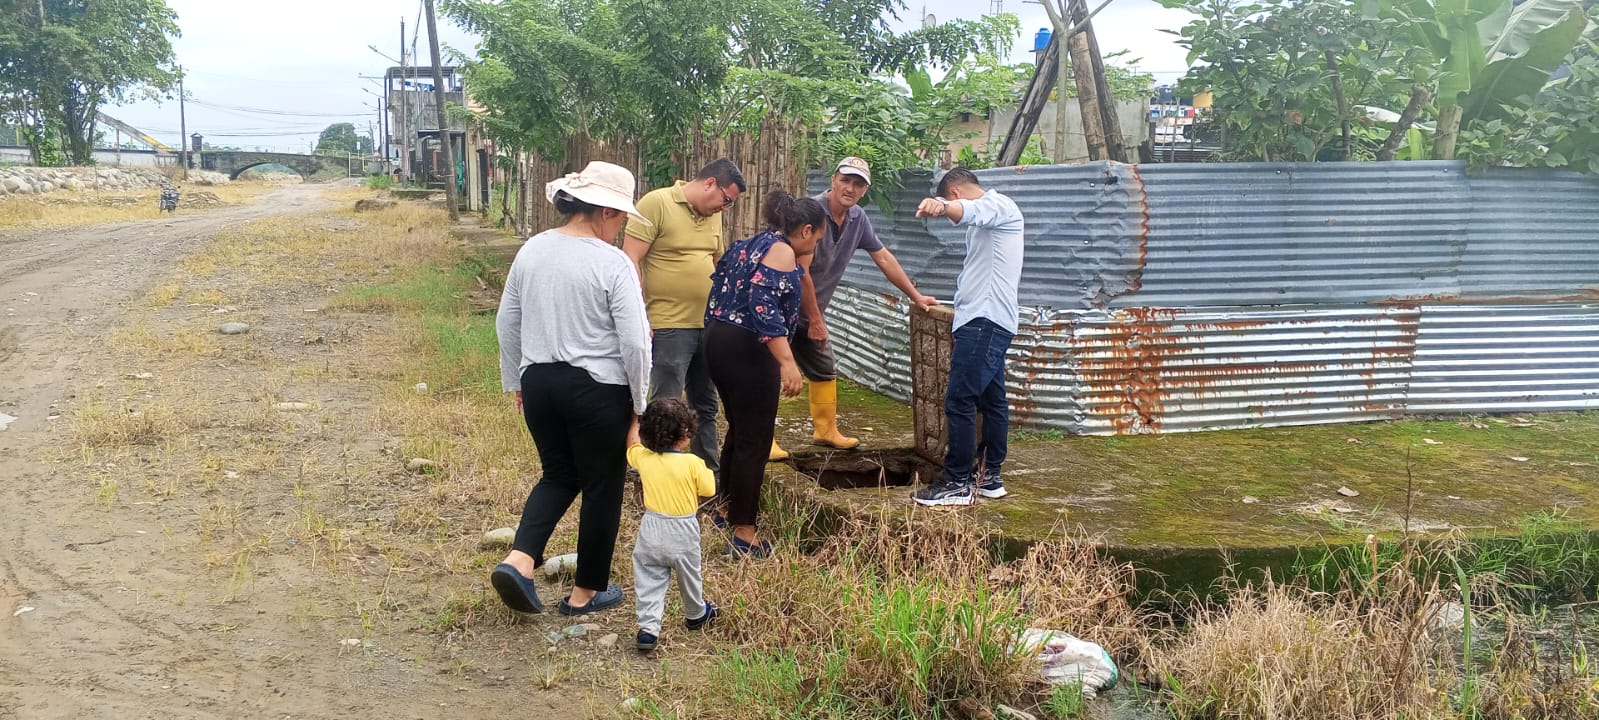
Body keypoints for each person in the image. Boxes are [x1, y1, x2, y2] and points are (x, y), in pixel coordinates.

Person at [491, 161, 652, 615]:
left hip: (539, 382)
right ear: (606, 212)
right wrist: (639, 406)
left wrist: (517, 381)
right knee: (602, 486)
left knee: (559, 474)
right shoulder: (613, 263)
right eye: (621, 218)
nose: (621, 228)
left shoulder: (533, 249)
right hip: (597, 390)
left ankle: (520, 561)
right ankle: (586, 593)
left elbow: (507, 322)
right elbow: (635, 342)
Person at [770, 157, 939, 461]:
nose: (850, 188)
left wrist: (915, 296)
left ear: (865, 190)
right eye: (845, 180)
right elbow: (801, 272)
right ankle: (763, 437)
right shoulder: (812, 212)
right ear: (833, 180)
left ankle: (825, 431)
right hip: (780, 309)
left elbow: (883, 257)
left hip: (812, 311)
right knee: (769, 372)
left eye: (858, 184)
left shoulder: (857, 218)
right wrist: (816, 321)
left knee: (824, 367)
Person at [702, 191, 824, 557]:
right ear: (806, 229)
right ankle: (745, 533)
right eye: (817, 238)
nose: (815, 246)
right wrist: (787, 361)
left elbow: (719, 286)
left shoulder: (750, 244)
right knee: (755, 439)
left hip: (718, 340)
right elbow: (764, 306)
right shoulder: (782, 250)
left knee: (740, 431)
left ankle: (726, 509)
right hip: (748, 349)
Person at [622, 159, 747, 478]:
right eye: (726, 200)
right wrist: (639, 314)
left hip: (708, 324)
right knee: (666, 403)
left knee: (706, 403)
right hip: (668, 323)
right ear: (710, 183)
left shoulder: (713, 215)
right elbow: (630, 258)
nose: (725, 208)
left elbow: (717, 262)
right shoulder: (657, 203)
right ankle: (656, 472)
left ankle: (707, 473)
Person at [910, 167, 1026, 507]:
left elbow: (969, 210)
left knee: (959, 399)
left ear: (955, 192)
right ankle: (988, 477)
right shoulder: (990, 220)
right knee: (992, 401)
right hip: (987, 321)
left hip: (985, 322)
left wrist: (942, 206)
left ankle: (957, 482)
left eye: (949, 199)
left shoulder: (998, 206)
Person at [625, 398, 719, 652]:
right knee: (690, 575)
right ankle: (696, 613)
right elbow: (709, 489)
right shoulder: (693, 463)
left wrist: (634, 419)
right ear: (686, 433)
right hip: (683, 528)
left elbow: (632, 445)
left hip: (651, 526)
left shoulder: (644, 458)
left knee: (649, 577)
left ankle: (648, 629)